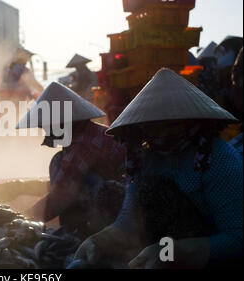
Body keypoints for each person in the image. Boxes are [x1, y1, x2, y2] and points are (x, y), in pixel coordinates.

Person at [74, 68, 243, 269]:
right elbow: (128, 223)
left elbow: (237, 238)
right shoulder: (146, 159)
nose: (161, 133)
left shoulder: (219, 159)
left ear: (190, 120)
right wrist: (100, 240)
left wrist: (171, 251)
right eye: (153, 126)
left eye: (170, 125)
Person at [16, 81, 126, 238]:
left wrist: (21, 220)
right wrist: (22, 188)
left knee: (70, 182)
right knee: (59, 162)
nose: (45, 131)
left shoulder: (83, 143)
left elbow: (62, 195)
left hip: (120, 207)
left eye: (48, 126)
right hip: (115, 196)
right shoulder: (91, 133)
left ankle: (85, 233)